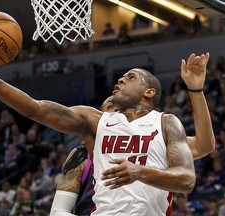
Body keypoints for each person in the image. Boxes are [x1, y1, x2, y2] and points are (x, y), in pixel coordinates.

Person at [0, 34, 203, 215]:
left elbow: (186, 179)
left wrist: (139, 172)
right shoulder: (95, 121)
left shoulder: (166, 122)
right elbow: (35, 108)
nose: (121, 79)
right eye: (122, 77)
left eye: (131, 77)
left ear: (149, 92)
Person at [50, 52, 215, 215]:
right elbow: (58, 210)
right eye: (113, 111)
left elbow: (204, 145)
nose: (120, 114)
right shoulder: (81, 156)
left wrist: (196, 90)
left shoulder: (158, 138)